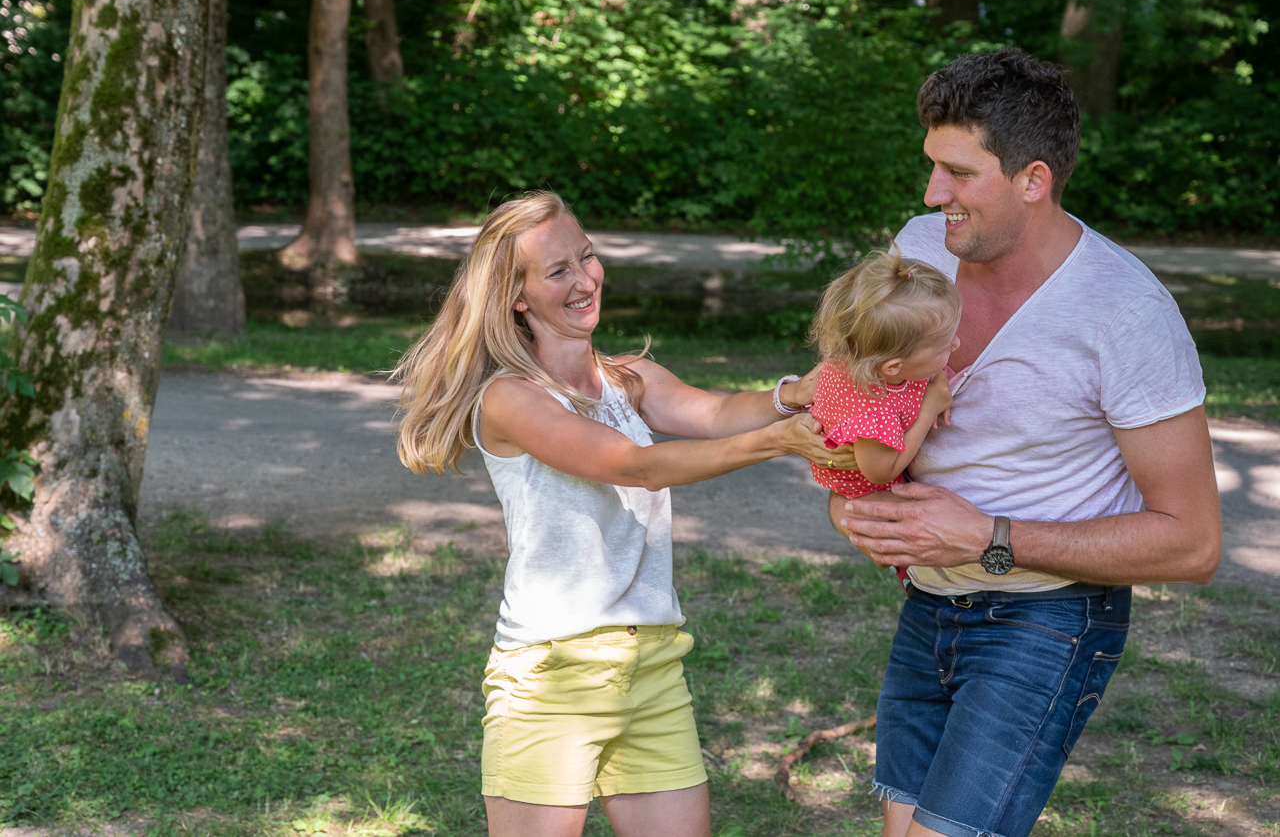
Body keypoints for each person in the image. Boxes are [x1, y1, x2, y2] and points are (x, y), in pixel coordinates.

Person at [827, 48, 1222, 837]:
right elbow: (851, 393)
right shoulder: (918, 250)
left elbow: (1193, 543)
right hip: (928, 603)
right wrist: (852, 500)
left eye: (958, 173)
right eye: (932, 166)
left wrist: (987, 537)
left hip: (1048, 619)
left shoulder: (1127, 314)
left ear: (1033, 180)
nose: (932, 193)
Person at [392, 191, 853, 837]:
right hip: (553, 674)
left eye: (587, 257)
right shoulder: (510, 400)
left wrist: (795, 394)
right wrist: (777, 441)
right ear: (517, 296)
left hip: (653, 664)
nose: (586, 280)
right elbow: (634, 465)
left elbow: (718, 412)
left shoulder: (630, 378)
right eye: (559, 271)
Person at [806, 252, 961, 586]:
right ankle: (910, 577)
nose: (957, 344)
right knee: (923, 533)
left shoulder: (875, 359)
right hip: (867, 493)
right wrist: (929, 409)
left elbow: (924, 371)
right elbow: (882, 470)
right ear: (893, 367)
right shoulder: (873, 411)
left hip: (879, 468)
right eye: (944, 347)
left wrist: (938, 377)